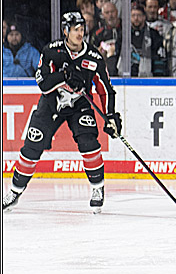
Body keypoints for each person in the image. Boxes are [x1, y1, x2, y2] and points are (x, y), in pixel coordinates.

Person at [3, 12, 120, 213]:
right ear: (65, 31)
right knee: (32, 147)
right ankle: (14, 191)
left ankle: (97, 188)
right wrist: (64, 75)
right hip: (51, 104)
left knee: (89, 143)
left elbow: (106, 90)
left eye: (82, 29)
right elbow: (43, 83)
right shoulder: (52, 51)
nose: (80, 33)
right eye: (75, 30)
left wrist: (110, 115)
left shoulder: (93, 57)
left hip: (80, 105)